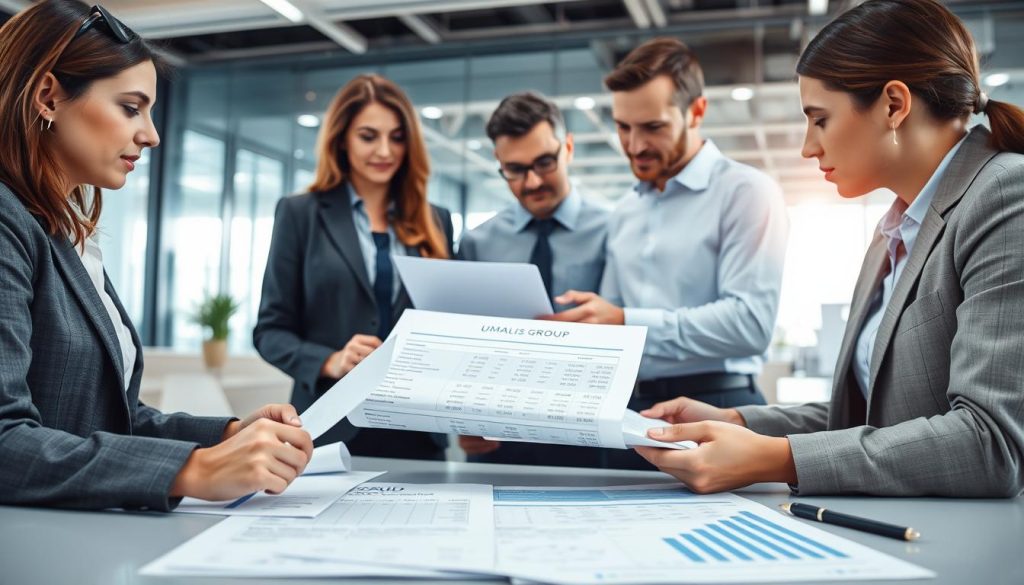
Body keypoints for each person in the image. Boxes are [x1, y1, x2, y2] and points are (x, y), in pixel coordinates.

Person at [636, 0, 1024, 497]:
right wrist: (737, 421)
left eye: (819, 120)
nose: (807, 147)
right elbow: (872, 417)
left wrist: (778, 459)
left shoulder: (1003, 196)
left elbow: (991, 444)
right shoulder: (897, 230)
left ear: (893, 105)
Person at [0, 1, 313, 511]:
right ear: (47, 96)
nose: (151, 134)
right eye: (130, 107)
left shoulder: (66, 236)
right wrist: (196, 470)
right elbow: (6, 441)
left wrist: (229, 434)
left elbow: (110, 420)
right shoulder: (6, 220)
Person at [547, 37, 789, 468]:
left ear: (696, 111)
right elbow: (611, 322)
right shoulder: (624, 211)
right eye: (623, 127)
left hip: (718, 404)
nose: (635, 145)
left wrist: (625, 320)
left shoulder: (746, 192)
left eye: (653, 127)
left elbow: (749, 325)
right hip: (629, 411)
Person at [254, 74, 453, 458]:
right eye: (368, 136)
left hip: (417, 432)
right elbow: (270, 331)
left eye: (397, 137)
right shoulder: (301, 214)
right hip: (329, 429)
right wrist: (331, 361)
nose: (384, 150)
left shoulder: (437, 221)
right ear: (342, 139)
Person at [456, 92, 610, 467]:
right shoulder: (478, 242)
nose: (533, 181)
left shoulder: (612, 231)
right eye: (515, 169)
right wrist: (461, 417)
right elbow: (463, 341)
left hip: (590, 433)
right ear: (499, 163)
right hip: (498, 438)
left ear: (568, 148)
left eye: (544, 162)